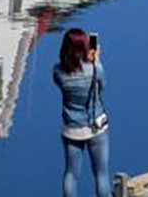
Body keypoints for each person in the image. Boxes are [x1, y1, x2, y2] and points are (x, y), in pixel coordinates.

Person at [53, 28, 111, 197]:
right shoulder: (95, 69)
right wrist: (96, 61)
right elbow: (102, 87)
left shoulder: (58, 71)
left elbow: (60, 80)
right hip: (96, 127)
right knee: (101, 174)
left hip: (72, 129)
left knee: (71, 174)